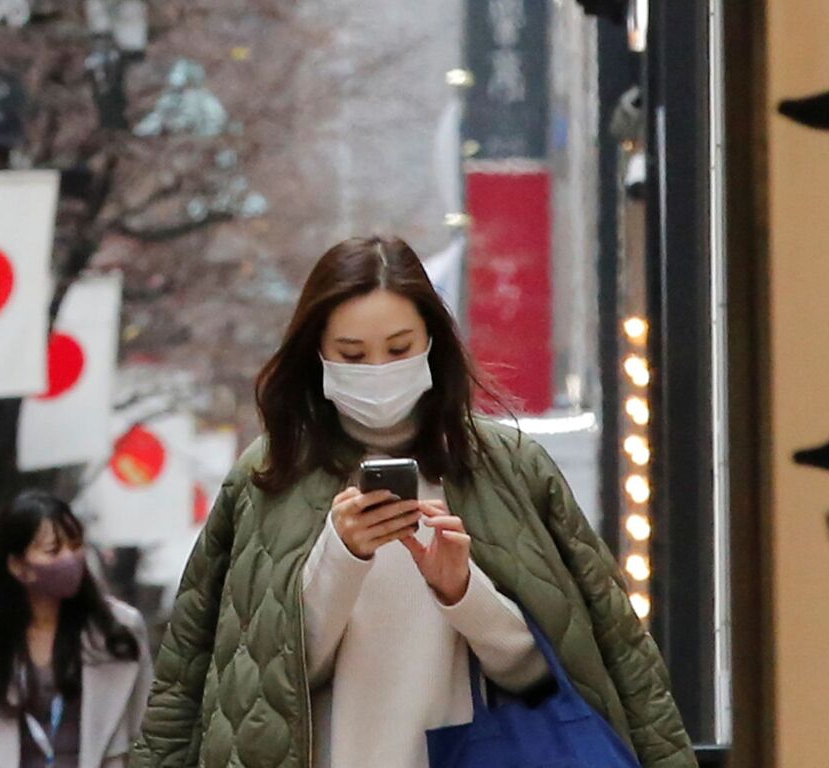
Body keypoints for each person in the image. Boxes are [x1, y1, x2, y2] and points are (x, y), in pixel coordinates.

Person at [131, 235, 695, 768]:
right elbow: (237, 681)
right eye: (351, 355)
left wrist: (462, 590)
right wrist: (342, 558)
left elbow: (572, 667)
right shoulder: (267, 476)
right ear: (317, 356)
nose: (379, 372)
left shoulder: (507, 468)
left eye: (399, 349)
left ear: (432, 341)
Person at [0, 490, 154, 768]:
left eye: (75, 545)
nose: (70, 558)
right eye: (53, 551)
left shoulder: (119, 630)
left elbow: (150, 736)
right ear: (19, 566)